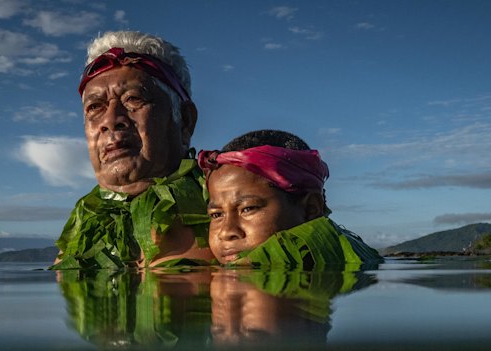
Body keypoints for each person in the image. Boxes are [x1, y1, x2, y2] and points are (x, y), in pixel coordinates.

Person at [52, 31, 213, 269]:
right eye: (95, 107)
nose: (111, 119)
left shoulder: (230, 216)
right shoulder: (78, 238)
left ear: (185, 121)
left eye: (134, 99)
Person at [198, 130, 382, 269]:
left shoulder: (350, 268)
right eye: (216, 215)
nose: (226, 232)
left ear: (311, 209)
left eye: (248, 208)